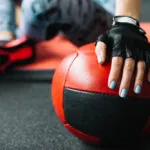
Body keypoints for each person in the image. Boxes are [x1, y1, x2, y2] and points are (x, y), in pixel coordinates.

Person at [0, 0, 150, 98]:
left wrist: (126, 22)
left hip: (109, 16)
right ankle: (7, 40)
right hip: (56, 17)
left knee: (39, 3)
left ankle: (19, 41)